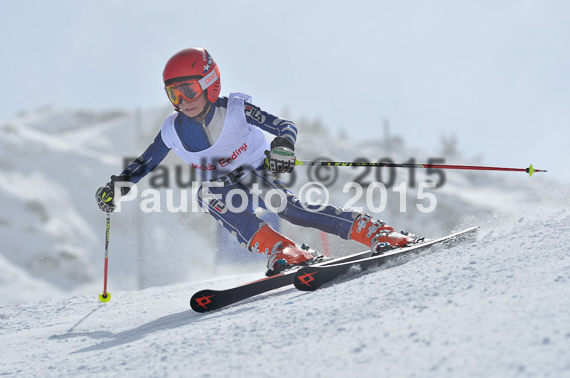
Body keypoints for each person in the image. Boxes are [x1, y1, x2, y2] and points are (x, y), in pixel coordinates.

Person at [96, 47, 417, 276]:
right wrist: (117, 188)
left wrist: (283, 148)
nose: (182, 102)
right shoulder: (172, 130)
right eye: (173, 94)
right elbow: (145, 163)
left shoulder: (235, 109)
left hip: (257, 170)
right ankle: (284, 249)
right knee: (206, 194)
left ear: (210, 83)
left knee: (292, 210)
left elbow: (284, 127)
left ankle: (376, 231)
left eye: (188, 90)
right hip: (221, 185)